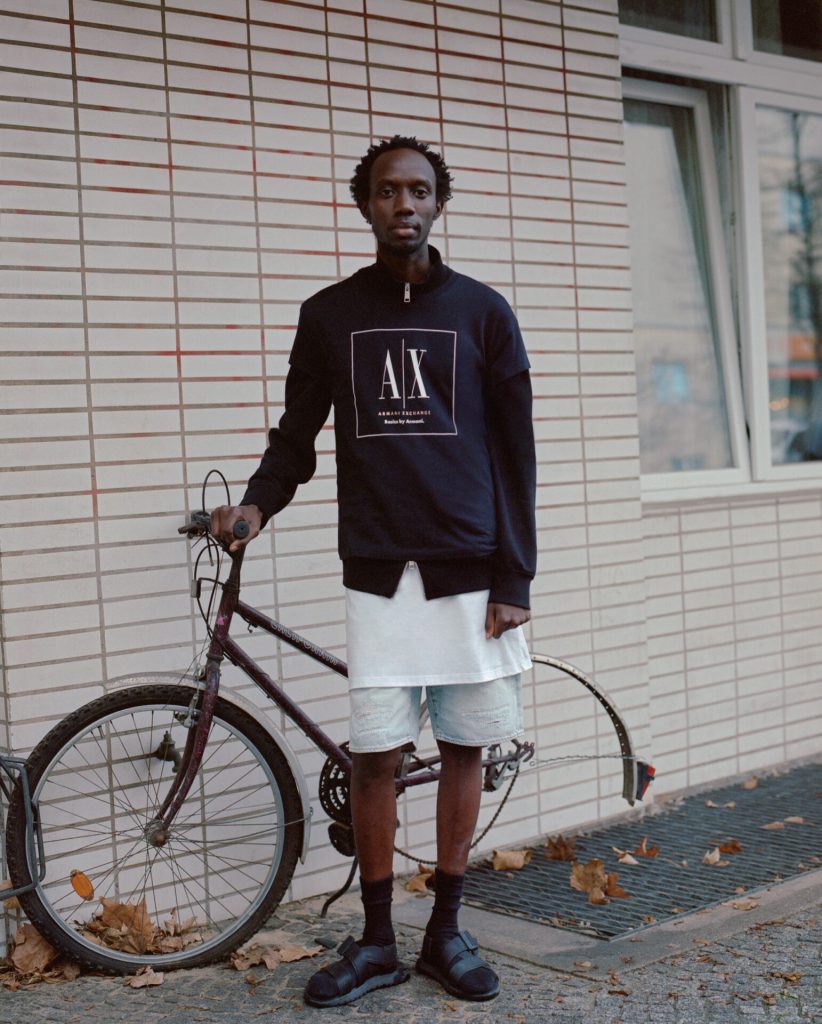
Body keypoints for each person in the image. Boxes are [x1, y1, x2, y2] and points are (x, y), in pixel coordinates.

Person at [212, 135, 536, 1007]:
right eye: (389, 191)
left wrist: (515, 578)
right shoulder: (330, 315)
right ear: (365, 204)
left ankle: (446, 933)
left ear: (439, 203)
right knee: (375, 756)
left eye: (420, 190)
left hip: (470, 569)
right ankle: (379, 940)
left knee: (464, 747)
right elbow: (295, 438)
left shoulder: (483, 313)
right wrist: (256, 506)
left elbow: (517, 455)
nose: (405, 205)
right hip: (379, 567)